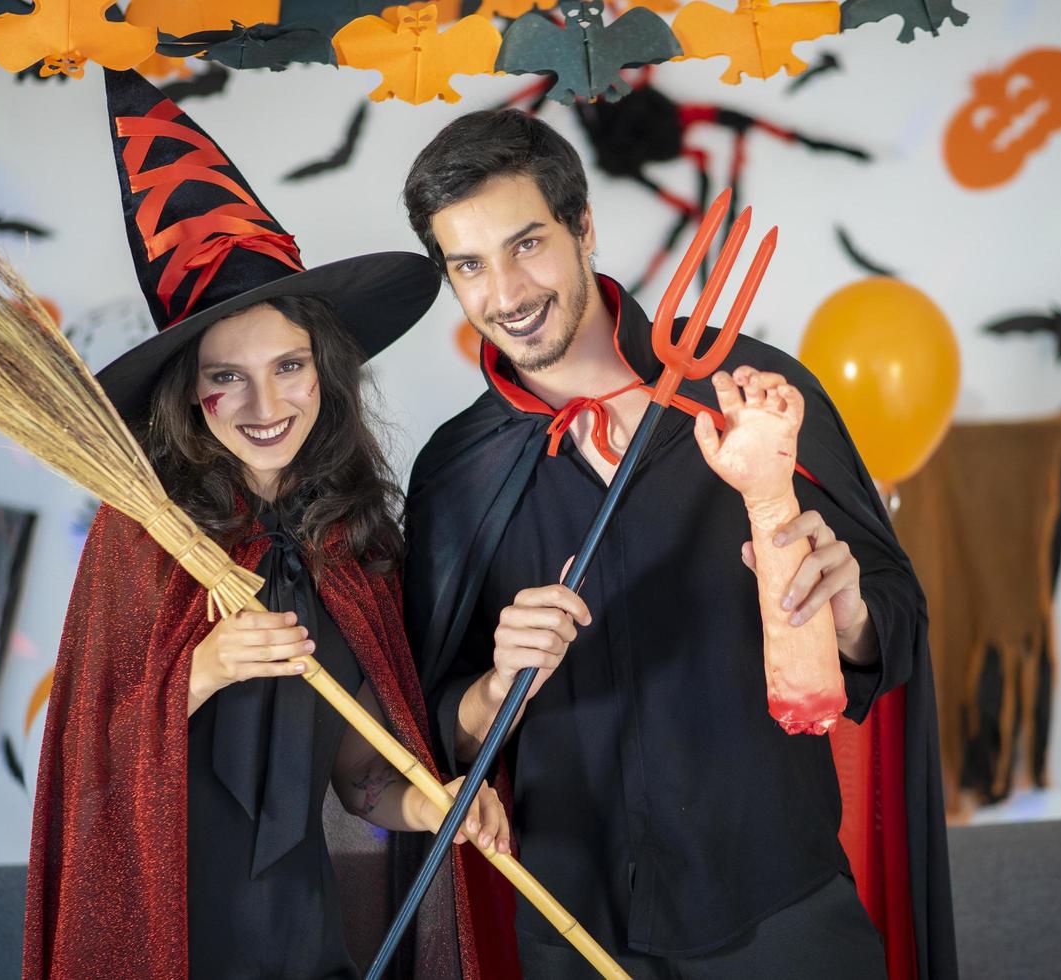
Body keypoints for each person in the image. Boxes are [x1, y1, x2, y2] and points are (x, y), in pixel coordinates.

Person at [401, 109, 957, 978]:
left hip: (779, 903)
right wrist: (495, 688)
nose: (505, 293)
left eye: (528, 244)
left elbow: (901, 622)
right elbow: (438, 728)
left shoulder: (749, 395)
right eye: (468, 264)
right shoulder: (455, 471)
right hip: (573, 925)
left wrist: (849, 617)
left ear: (584, 227)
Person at [22, 70, 509, 980]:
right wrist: (197, 672)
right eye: (226, 377)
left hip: (301, 939)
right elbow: (84, 771)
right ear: (185, 395)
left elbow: (360, 780)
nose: (264, 403)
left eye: (289, 366)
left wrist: (433, 803)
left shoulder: (352, 545)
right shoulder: (142, 538)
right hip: (167, 935)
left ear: (324, 371)